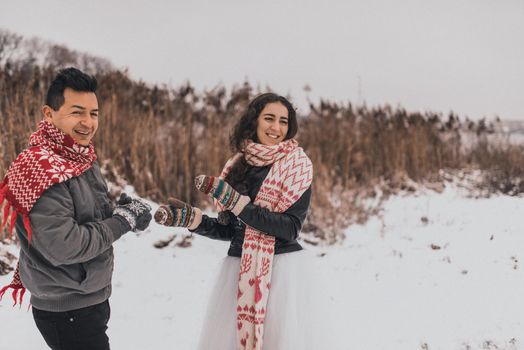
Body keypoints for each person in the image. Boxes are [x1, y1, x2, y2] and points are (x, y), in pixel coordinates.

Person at [0, 67, 152, 350]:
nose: (88, 122)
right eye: (77, 112)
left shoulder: (79, 156)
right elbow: (64, 246)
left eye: (93, 113)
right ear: (49, 114)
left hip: (85, 298)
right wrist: (121, 222)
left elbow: (86, 217)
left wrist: (125, 213)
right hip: (66, 309)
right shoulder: (42, 169)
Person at [155, 93, 316, 349]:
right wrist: (194, 220)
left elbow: (290, 228)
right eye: (269, 119)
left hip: (280, 271)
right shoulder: (235, 166)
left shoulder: (297, 166)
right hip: (239, 270)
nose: (276, 127)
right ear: (254, 121)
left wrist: (237, 203)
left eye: (283, 121)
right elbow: (233, 230)